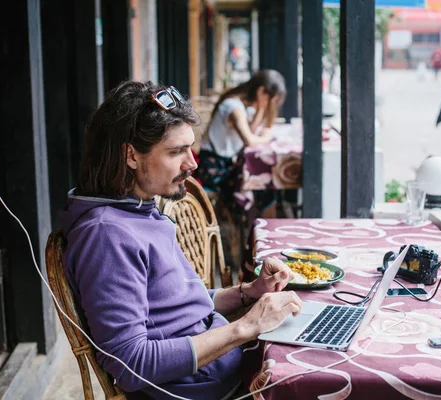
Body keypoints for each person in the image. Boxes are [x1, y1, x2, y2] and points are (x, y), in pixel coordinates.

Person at [60, 81, 302, 400]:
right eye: (176, 152)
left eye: (190, 147)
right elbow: (131, 364)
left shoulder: (139, 208)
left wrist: (248, 293)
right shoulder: (106, 235)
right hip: (214, 391)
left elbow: (175, 307)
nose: (192, 163)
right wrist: (247, 326)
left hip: (229, 370)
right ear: (131, 155)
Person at [196, 70, 286, 223]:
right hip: (213, 170)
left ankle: (251, 228)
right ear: (261, 91)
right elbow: (249, 140)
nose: (271, 104)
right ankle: (253, 229)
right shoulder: (233, 108)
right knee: (262, 185)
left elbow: (249, 131)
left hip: (220, 164)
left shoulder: (238, 104)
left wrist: (260, 109)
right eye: (271, 99)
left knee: (261, 182)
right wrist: (267, 136)